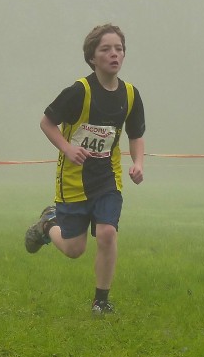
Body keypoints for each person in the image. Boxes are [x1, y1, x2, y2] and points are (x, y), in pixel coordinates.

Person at [24, 24, 145, 316]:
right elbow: (46, 122)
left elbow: (136, 134)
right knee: (74, 249)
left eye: (119, 48)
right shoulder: (79, 91)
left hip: (108, 178)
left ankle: (100, 302)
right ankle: (47, 224)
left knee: (107, 234)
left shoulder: (130, 95)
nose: (114, 54)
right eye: (106, 49)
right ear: (92, 57)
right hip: (74, 180)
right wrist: (67, 148)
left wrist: (138, 163)